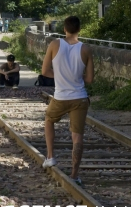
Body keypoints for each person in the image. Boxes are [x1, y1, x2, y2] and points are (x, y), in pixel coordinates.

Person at [40, 16, 94, 186]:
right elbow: (90, 79)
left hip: (61, 97)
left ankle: (50, 157)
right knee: (77, 137)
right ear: (79, 30)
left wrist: (61, 77)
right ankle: (74, 174)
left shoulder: (55, 44)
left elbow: (45, 71)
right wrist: (76, 77)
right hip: (79, 97)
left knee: (49, 120)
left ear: (64, 29)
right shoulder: (85, 49)